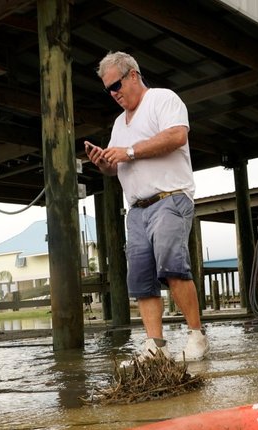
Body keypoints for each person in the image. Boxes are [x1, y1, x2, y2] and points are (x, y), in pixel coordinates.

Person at [85, 51, 209, 362]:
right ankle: (156, 345)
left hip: (169, 197)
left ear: (133, 76)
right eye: (108, 90)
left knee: (173, 267)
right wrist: (104, 163)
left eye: (116, 86)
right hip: (136, 209)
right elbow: (118, 167)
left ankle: (196, 336)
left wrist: (127, 151)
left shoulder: (162, 100)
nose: (113, 94)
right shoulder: (118, 123)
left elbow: (177, 135)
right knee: (140, 279)